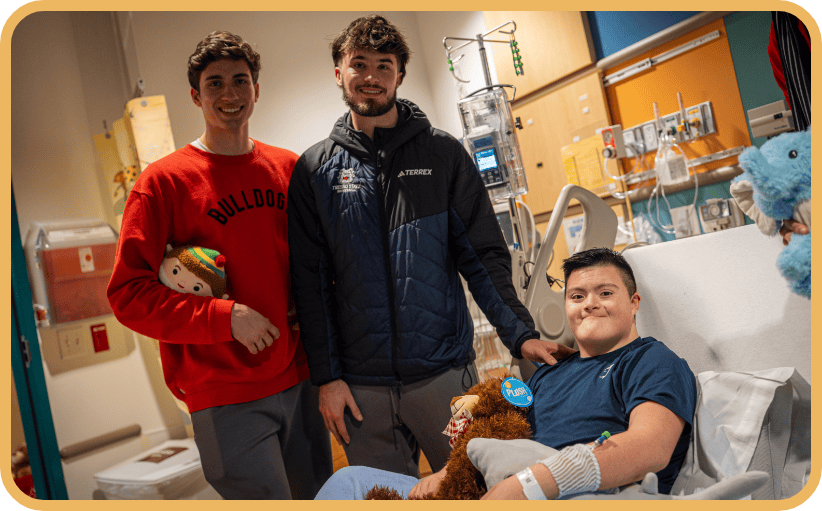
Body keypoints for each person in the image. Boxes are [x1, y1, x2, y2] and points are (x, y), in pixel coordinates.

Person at [287, 14, 573, 478]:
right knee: (383, 498)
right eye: (359, 64)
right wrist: (327, 377)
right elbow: (310, 282)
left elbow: (482, 257)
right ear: (339, 72)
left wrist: (519, 333)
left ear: (399, 75)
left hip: (442, 375)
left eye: (384, 65)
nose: (372, 77)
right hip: (361, 389)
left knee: (469, 487)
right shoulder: (315, 170)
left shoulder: (443, 155)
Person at [107, 31, 332, 499]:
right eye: (214, 84)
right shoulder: (162, 184)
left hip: (301, 378)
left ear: (256, 89)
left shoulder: (289, 169)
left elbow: (318, 263)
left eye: (240, 81)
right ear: (195, 95)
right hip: (223, 392)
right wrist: (226, 318)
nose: (229, 95)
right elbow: (128, 296)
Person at [314, 248, 697, 500]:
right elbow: (494, 429)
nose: (589, 304)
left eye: (605, 293)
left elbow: (651, 447)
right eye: (577, 296)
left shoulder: (650, 361)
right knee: (348, 483)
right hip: (485, 486)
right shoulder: (549, 373)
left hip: (562, 493)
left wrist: (526, 485)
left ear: (634, 304)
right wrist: (449, 472)